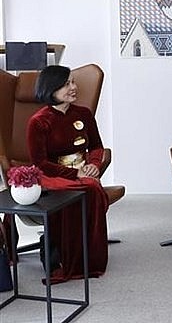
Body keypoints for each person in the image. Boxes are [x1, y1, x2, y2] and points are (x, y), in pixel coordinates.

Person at [28, 65, 111, 284]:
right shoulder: (38, 121)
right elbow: (40, 163)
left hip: (83, 172)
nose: (74, 87)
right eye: (67, 84)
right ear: (50, 88)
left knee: (91, 188)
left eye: (73, 82)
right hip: (52, 174)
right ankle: (64, 256)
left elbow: (97, 146)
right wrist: (75, 173)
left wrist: (93, 164)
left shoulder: (83, 114)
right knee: (88, 189)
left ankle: (89, 260)